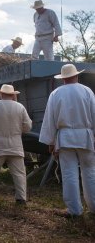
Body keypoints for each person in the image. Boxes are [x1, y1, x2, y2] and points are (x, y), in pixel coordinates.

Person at [39, 64, 95, 217]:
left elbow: (49, 119)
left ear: (63, 78)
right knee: (90, 172)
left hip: (65, 139)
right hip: (86, 137)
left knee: (69, 174)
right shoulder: (87, 91)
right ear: (76, 75)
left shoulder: (55, 93)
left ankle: (74, 210)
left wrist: (51, 141)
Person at [0, 84, 32, 204]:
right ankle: (21, 198)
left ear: (0, 94)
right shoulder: (20, 107)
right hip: (15, 144)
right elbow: (28, 127)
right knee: (19, 173)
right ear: (13, 95)